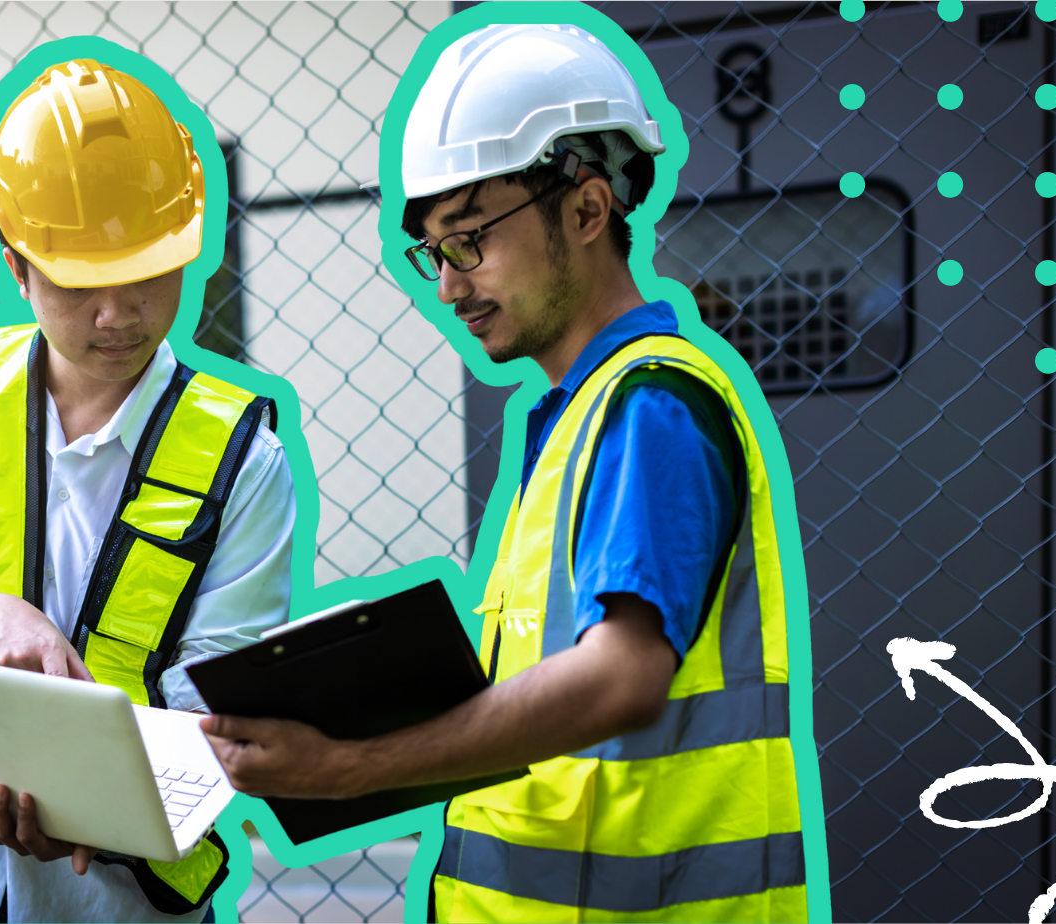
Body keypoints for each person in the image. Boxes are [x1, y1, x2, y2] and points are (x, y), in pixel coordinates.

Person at [200, 23, 811, 923]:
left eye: (469, 239)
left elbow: (621, 678)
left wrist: (350, 768)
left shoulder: (651, 408)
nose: (448, 286)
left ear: (587, 210)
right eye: (436, 253)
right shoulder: (580, 413)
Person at [0, 57, 296, 924]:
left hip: (124, 900)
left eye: (149, 275)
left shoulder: (245, 457)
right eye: (82, 284)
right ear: (17, 265)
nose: (117, 315)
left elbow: (214, 711)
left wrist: (88, 807)